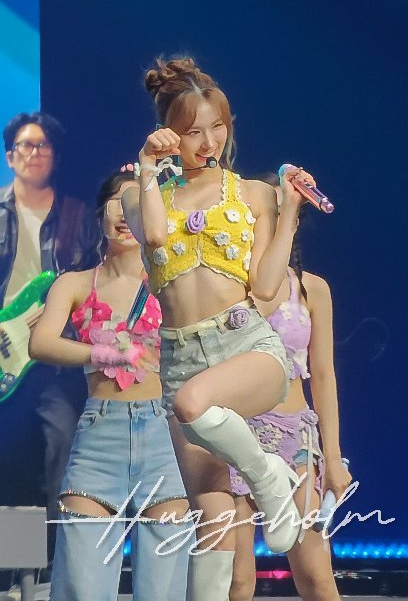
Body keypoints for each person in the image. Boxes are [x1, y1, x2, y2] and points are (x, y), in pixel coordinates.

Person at [122, 56, 315, 601]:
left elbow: (268, 286)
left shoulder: (251, 193)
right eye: (193, 132)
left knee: (191, 403)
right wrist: (146, 165)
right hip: (182, 356)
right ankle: (266, 476)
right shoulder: (138, 194)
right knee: (213, 522)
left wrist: (289, 209)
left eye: (218, 126)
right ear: (167, 133)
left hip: (246, 346)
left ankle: (267, 477)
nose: (209, 142)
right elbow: (154, 238)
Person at [29, 168, 189, 601]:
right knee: (83, 587)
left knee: (164, 589)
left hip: (165, 435)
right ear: (100, 214)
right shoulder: (76, 283)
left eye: (134, 204)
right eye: (116, 203)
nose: (123, 214)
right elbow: (40, 343)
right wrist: (101, 354)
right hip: (100, 435)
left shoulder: (174, 284)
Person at [229, 178, 352, 601]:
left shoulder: (311, 288)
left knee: (316, 575)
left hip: (292, 437)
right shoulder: (227, 287)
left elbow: (324, 375)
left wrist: (332, 459)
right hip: (233, 433)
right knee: (236, 579)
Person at [0, 111, 100, 562]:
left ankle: (54, 569)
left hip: (53, 361)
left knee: (60, 454)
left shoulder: (78, 217)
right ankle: (16, 568)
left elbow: (95, 282)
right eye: (25, 145)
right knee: (10, 462)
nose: (34, 153)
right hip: (4, 355)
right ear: (9, 156)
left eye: (44, 146)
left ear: (55, 156)